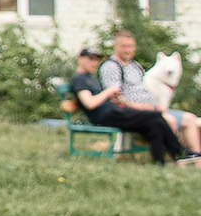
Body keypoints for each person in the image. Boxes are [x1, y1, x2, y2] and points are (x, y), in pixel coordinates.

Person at [62, 44, 194, 163]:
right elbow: (90, 103)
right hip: (106, 117)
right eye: (90, 59)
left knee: (153, 124)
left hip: (113, 112)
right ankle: (179, 152)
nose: (94, 62)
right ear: (80, 59)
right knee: (155, 115)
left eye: (96, 59)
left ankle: (160, 163)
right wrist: (109, 92)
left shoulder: (91, 78)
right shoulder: (79, 80)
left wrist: (114, 97)